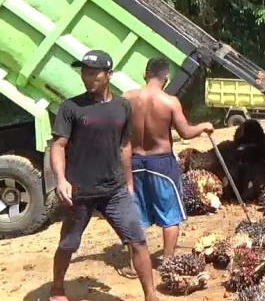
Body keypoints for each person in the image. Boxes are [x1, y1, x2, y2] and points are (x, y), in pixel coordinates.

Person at [49, 50, 158, 301]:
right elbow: (58, 146)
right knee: (69, 243)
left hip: (114, 190)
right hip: (80, 191)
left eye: (93, 72)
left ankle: (151, 296)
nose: (87, 77)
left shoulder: (122, 106)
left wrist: (129, 182)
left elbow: (125, 146)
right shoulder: (71, 107)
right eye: (84, 71)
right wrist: (61, 180)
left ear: (109, 74)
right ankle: (57, 288)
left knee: (138, 241)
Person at [119, 58, 214, 277]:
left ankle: (134, 265)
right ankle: (168, 262)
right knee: (170, 215)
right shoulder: (170, 102)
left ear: (145, 74)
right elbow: (186, 133)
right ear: (166, 78)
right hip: (161, 163)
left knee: (136, 215)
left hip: (133, 161)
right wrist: (203, 126)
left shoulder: (127, 98)